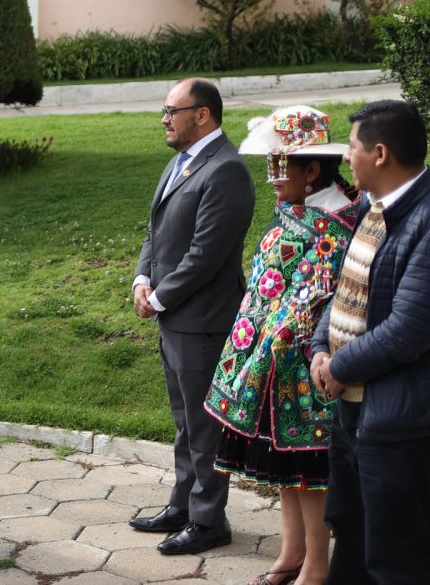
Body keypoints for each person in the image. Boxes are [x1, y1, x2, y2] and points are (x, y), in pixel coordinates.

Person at [204, 106, 359, 585]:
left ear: (312, 170)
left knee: (310, 471)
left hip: (308, 367)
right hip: (273, 363)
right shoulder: (301, 212)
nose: (271, 178)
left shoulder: (336, 223)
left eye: (279, 167)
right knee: (287, 467)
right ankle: (291, 552)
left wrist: (274, 343)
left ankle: (316, 564)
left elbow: (315, 297)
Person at [130, 78, 255, 555]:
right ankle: (182, 506)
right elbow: (154, 231)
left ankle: (209, 522)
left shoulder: (225, 170)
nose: (164, 118)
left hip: (203, 321)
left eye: (171, 110)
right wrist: (142, 281)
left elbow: (206, 255)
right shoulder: (180, 162)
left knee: (205, 428)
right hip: (174, 318)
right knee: (184, 422)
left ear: (202, 115)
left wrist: (159, 298)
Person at [309, 99, 430, 584]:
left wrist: (337, 368)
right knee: (354, 537)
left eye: (352, 148)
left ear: (379, 153)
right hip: (354, 413)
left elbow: (409, 329)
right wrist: (321, 348)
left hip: (399, 425)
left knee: (396, 558)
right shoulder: (372, 209)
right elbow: (346, 291)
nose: (345, 160)